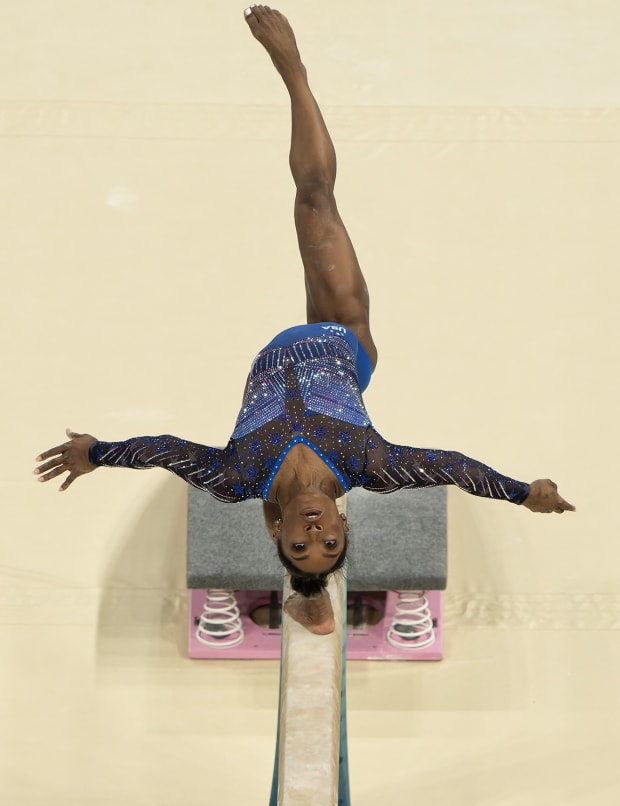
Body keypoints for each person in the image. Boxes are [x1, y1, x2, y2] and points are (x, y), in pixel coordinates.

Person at [34, 6, 574, 634]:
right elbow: (454, 466)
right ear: (346, 524)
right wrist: (518, 491)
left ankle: (293, 78)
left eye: (300, 548)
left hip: (284, 352)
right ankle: (294, 72)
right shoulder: (367, 462)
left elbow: (164, 451)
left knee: (310, 201)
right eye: (329, 544)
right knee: (315, 195)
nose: (314, 535)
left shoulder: (238, 476)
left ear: (277, 532)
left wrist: (97, 453)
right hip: (345, 335)